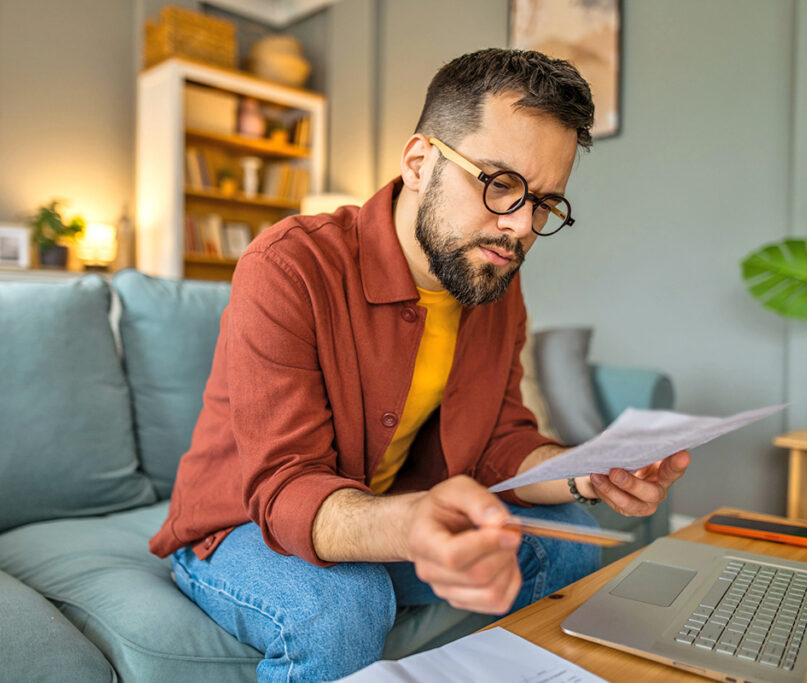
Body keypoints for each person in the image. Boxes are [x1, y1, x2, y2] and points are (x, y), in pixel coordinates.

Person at [150, 48, 690, 681]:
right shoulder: (288, 267)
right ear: (418, 162)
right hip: (242, 523)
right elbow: (286, 487)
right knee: (346, 603)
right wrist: (412, 525)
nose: (519, 227)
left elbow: (500, 442)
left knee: (566, 534)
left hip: (382, 510)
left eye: (543, 202)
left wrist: (589, 473)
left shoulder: (493, 284)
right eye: (499, 184)